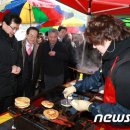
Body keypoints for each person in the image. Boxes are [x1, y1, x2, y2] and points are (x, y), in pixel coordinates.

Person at [63, 14, 130, 127]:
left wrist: (90, 107)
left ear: (109, 38)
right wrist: (76, 86)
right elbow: (98, 77)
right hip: (109, 114)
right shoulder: (113, 54)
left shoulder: (125, 68)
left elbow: (125, 116)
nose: (94, 46)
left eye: (96, 42)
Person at [0, 12, 22, 113]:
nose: (14, 31)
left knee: (8, 114)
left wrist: (19, 67)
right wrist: (10, 69)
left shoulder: (15, 40)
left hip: (11, 87)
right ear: (3, 23)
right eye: (12, 28)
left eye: (16, 29)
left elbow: (19, 58)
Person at [17, 27, 39, 98]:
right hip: (19, 79)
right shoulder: (18, 45)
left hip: (32, 79)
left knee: (30, 100)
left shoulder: (38, 48)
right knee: (17, 100)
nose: (33, 38)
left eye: (35, 36)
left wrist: (38, 79)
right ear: (26, 35)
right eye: (31, 35)